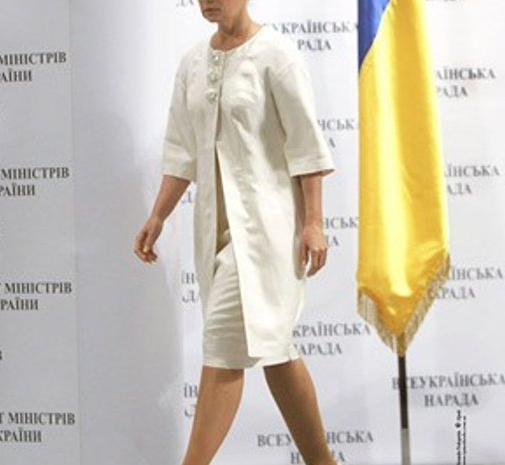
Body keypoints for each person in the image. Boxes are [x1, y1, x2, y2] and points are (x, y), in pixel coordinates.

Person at [134, 1, 339, 464]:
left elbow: (306, 147)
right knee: (277, 354)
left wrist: (313, 222)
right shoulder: (192, 62)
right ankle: (323, 461)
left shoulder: (276, 55)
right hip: (216, 236)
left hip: (269, 237)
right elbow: (181, 151)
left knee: (224, 347)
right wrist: (158, 216)